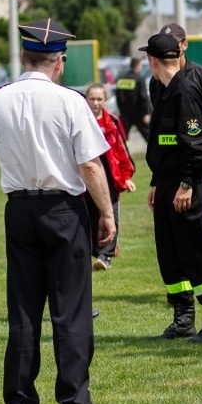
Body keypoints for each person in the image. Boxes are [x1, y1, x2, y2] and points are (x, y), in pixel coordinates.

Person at [0, 18, 115, 404]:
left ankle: (21, 399)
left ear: (24, 57)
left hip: (19, 208)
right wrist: (107, 213)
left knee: (24, 307)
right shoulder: (71, 101)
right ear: (58, 62)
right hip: (63, 208)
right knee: (70, 306)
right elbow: (90, 166)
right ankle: (74, 399)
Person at [142, 33, 202, 343]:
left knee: (195, 251)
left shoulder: (186, 91)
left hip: (185, 185)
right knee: (170, 253)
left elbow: (198, 144)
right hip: (166, 183)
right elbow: (164, 142)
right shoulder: (162, 88)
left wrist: (187, 184)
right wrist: (156, 181)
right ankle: (183, 319)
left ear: (153, 60)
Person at [151, 22, 202, 160]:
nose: (169, 47)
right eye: (165, 43)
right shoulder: (156, 80)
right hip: (170, 154)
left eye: (174, 42)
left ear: (185, 44)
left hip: (199, 152)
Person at [84, 83, 136, 271]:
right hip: (85, 178)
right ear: (86, 99)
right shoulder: (80, 120)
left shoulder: (113, 121)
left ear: (105, 100)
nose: (96, 103)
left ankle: (105, 255)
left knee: (110, 214)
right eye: (92, 98)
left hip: (110, 178)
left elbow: (122, 150)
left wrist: (126, 176)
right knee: (88, 215)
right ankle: (87, 252)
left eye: (99, 99)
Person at [115, 57, 151, 140]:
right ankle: (155, 152)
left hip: (125, 113)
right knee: (148, 135)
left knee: (123, 137)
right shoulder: (139, 78)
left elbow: (118, 96)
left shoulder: (121, 78)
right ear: (137, 66)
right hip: (138, 113)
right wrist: (146, 113)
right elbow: (143, 97)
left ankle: (125, 152)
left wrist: (121, 111)